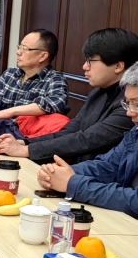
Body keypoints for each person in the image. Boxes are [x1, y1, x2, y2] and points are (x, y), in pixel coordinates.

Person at [0, 28, 138, 164]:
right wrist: (24, 143)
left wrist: (26, 150)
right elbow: (70, 131)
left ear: (118, 66)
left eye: (90, 61)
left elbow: (87, 139)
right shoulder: (97, 93)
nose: (84, 67)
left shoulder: (131, 104)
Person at [37, 62, 138, 218]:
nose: (129, 113)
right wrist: (57, 173)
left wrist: (73, 184)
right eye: (128, 104)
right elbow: (108, 166)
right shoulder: (135, 132)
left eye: (136, 104)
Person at [0, 29, 69, 131]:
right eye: (19, 47)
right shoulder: (9, 74)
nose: (18, 52)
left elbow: (56, 103)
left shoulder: (55, 79)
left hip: (24, 138)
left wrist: (11, 112)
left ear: (42, 56)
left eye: (25, 48)